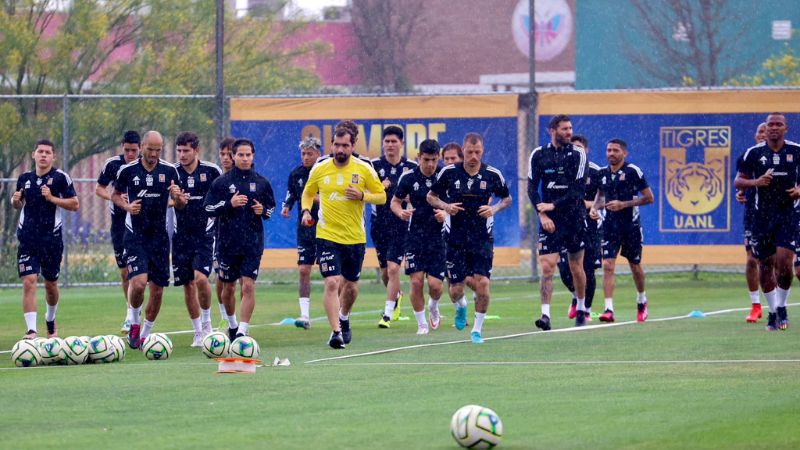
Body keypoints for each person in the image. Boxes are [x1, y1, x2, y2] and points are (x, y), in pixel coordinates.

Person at [300, 126, 385, 348]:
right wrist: (306, 211)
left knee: (351, 287)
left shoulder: (364, 169)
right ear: (331, 145)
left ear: (352, 145)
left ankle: (344, 317)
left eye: (345, 145)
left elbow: (382, 196)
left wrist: (363, 195)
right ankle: (336, 332)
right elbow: (308, 192)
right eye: (336, 145)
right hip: (327, 235)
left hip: (355, 237)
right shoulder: (320, 168)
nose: (340, 149)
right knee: (331, 282)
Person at [427, 132, 512, 344]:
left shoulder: (492, 174)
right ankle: (462, 306)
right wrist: (446, 207)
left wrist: (494, 208)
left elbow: (507, 198)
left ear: (482, 151)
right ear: (463, 151)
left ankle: (477, 330)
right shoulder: (449, 173)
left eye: (477, 152)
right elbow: (431, 197)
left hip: (481, 238)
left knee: (483, 283)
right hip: (455, 238)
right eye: (469, 151)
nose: (473, 156)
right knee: (455, 290)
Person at [112, 130, 185, 348]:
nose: (153, 153)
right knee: (139, 282)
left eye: (158, 149)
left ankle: (145, 333)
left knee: (158, 289)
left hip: (160, 238)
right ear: (142, 146)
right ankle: (134, 322)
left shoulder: (170, 171)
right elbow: (115, 194)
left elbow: (180, 204)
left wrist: (177, 197)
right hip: (135, 235)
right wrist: (126, 206)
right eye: (150, 149)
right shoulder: (128, 171)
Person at [204, 138, 276, 340]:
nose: (245, 158)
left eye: (248, 155)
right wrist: (229, 203)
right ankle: (233, 324)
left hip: (253, 242)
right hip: (227, 243)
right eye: (240, 155)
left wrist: (263, 210)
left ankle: (243, 331)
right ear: (233, 156)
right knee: (228, 288)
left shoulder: (262, 182)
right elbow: (207, 208)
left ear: (253, 156)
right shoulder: (221, 183)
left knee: (248, 285)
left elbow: (270, 208)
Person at [734, 113, 800, 331]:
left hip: (788, 214)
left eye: (778, 124)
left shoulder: (796, 150)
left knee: (784, 262)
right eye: (770, 124)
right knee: (764, 264)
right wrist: (756, 182)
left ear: (785, 128)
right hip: (760, 217)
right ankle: (771, 311)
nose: (773, 128)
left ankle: (782, 307)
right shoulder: (752, 154)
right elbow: (738, 180)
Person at [12, 139, 80, 339]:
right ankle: (31, 330)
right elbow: (17, 204)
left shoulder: (60, 178)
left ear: (53, 156)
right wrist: (15, 201)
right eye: (40, 151)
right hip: (28, 240)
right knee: (29, 281)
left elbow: (75, 204)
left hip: (51, 240)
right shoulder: (24, 178)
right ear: (33, 154)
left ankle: (50, 320)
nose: (43, 155)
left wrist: (52, 198)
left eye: (47, 152)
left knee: (51, 284)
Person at [527, 115, 589, 330]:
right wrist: (542, 215)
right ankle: (545, 315)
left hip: (574, 217)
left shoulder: (578, 154)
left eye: (571, 128)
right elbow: (532, 189)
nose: (569, 133)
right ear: (552, 130)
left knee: (575, 266)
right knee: (547, 267)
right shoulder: (538, 155)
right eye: (564, 129)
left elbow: (578, 190)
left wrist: (553, 206)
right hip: (550, 220)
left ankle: (581, 307)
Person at [594, 138, 654, 323]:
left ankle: (641, 299)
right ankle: (608, 309)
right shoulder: (602, 173)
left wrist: (624, 204)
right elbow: (600, 195)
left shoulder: (633, 171)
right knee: (608, 265)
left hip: (631, 226)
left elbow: (649, 198)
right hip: (610, 226)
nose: (611, 153)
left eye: (615, 150)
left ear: (624, 153)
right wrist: (594, 208)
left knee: (634, 266)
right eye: (608, 150)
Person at [172, 131, 222, 346]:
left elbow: (222, 200)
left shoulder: (211, 171)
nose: (182, 155)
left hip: (204, 233)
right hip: (180, 235)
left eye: (186, 151)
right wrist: (177, 199)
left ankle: (208, 322)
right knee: (187, 284)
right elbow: (172, 204)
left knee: (201, 278)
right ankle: (198, 331)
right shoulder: (171, 172)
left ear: (196, 151)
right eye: (179, 151)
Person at [391, 139, 446, 334]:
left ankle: (433, 306)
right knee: (416, 281)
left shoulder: (444, 176)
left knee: (435, 285)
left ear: (438, 158)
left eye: (434, 160)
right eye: (426, 160)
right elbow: (395, 202)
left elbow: (455, 203)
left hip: (439, 239)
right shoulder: (408, 178)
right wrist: (400, 212)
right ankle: (422, 324)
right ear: (419, 158)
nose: (430, 164)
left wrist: (445, 214)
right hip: (414, 238)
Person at [371, 126, 418, 328]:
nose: (390, 145)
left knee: (393, 268)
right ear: (383, 143)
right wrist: (377, 188)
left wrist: (411, 197)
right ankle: (396, 295)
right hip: (379, 224)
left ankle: (388, 314)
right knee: (385, 271)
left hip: (401, 224)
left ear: (401, 144)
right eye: (387, 141)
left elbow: (423, 191)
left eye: (394, 141)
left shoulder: (411, 167)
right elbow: (363, 192)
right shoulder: (372, 166)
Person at [95, 130, 141, 333]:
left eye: (134, 150)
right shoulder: (112, 164)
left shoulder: (146, 165)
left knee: (137, 275)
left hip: (141, 225)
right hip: (120, 224)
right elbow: (99, 189)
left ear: (140, 148)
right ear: (122, 146)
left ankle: (134, 316)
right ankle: (130, 312)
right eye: (127, 150)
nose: (131, 154)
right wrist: (115, 199)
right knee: (124, 273)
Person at [558, 135, 602, 321]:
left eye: (579, 148)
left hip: (590, 226)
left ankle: (585, 309)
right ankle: (577, 296)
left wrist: (590, 205)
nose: (576, 151)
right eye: (573, 148)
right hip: (567, 224)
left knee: (588, 268)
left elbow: (603, 199)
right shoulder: (562, 171)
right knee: (564, 267)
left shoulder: (596, 172)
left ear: (586, 150)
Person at [281, 135, 322, 329]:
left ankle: (340, 315)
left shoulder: (324, 172)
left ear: (318, 154)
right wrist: (287, 205)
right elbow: (291, 193)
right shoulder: (296, 174)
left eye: (310, 154)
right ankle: (304, 315)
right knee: (304, 270)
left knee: (332, 275)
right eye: (303, 153)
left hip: (327, 228)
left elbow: (330, 198)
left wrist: (312, 198)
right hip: (305, 228)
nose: (306, 157)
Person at [735, 123, 767, 322]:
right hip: (753, 215)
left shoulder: (788, 154)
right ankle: (756, 305)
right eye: (760, 131)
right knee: (751, 259)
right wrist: (741, 191)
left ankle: (777, 303)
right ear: (755, 136)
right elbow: (741, 180)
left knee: (776, 262)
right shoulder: (749, 156)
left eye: (768, 129)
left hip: (781, 214)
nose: (764, 134)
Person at [213, 137, 237, 332]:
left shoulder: (248, 179)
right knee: (221, 279)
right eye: (222, 154)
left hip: (244, 238)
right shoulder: (217, 180)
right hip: (220, 236)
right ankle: (225, 319)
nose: (225, 158)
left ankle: (241, 325)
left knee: (246, 282)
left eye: (229, 154)